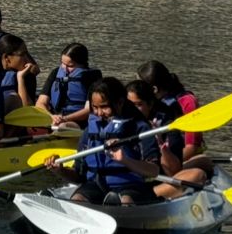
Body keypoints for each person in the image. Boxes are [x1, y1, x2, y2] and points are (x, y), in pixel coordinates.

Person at [44, 77, 160, 205]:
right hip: (96, 186)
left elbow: (153, 170)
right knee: (77, 200)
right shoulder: (91, 130)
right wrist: (60, 170)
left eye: (104, 107)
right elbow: (79, 175)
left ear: (120, 102)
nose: (99, 113)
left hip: (130, 187)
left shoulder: (140, 127)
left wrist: (125, 160)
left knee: (126, 201)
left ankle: (121, 211)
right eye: (95, 107)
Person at [126, 79, 201, 200]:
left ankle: (145, 197)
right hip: (125, 182)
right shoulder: (115, 124)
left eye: (138, 105)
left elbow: (173, 172)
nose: (132, 110)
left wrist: (161, 145)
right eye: (129, 105)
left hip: (154, 183)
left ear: (150, 104)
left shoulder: (167, 126)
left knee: (197, 174)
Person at [137, 59, 210, 174]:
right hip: (156, 158)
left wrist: (164, 165)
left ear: (154, 89)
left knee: (203, 162)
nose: (136, 90)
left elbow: (192, 147)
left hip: (182, 158)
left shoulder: (187, 102)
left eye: (140, 86)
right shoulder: (146, 104)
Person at [37, 43, 102, 130]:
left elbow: (88, 110)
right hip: (54, 118)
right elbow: (40, 103)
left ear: (82, 64)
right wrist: (52, 116)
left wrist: (64, 119)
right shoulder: (56, 73)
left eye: (70, 66)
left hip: (77, 121)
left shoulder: (92, 77)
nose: (65, 68)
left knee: (62, 127)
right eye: (63, 63)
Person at [0, 33, 40, 114]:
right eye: (22, 54)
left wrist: (20, 78)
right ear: (6, 58)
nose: (27, 59)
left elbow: (27, 109)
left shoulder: (27, 76)